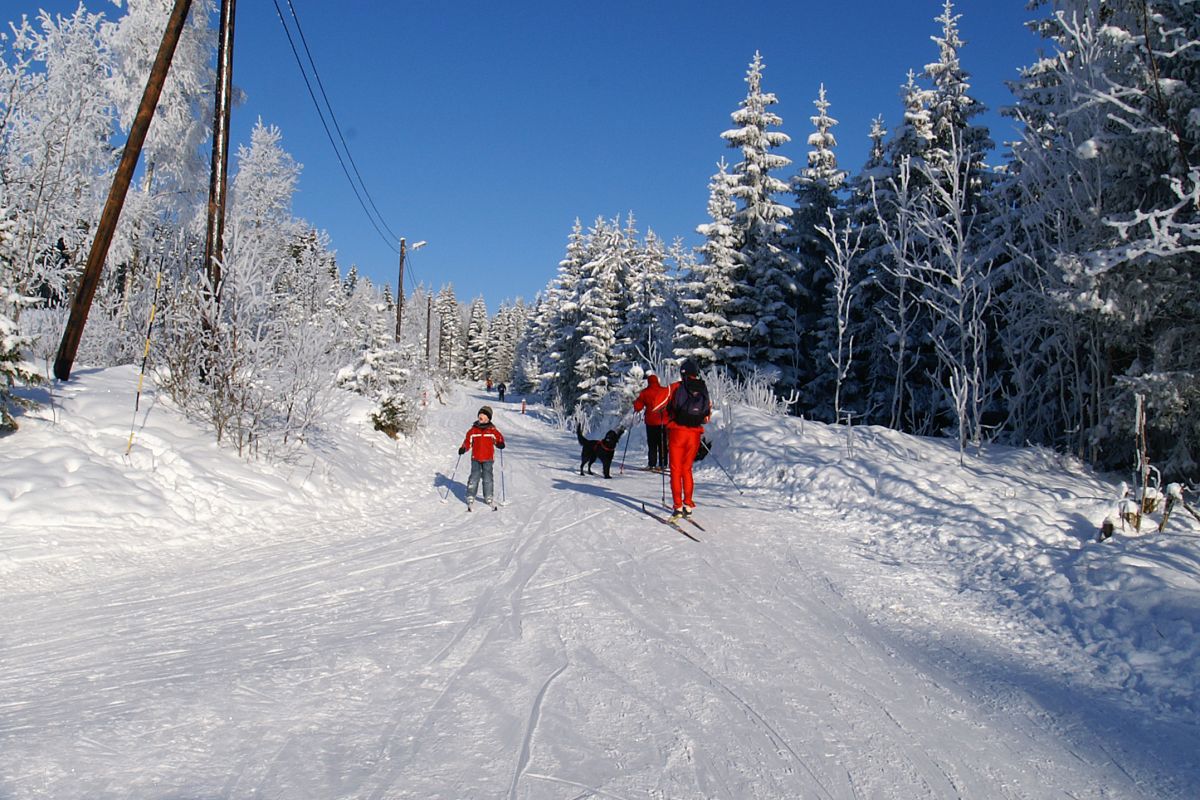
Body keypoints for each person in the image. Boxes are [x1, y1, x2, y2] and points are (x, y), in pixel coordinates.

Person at [666, 359, 711, 520]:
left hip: (677, 433)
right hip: (694, 435)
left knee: (675, 470)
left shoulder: (676, 387)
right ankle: (688, 505)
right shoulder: (703, 388)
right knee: (687, 469)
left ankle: (677, 507)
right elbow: (706, 416)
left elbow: (659, 405)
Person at [458, 405, 505, 510]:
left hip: (488, 458)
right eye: (480, 414)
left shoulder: (492, 430)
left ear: (488, 418)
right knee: (474, 478)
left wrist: (500, 443)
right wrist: (463, 448)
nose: (481, 416)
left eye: (483, 415)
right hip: (476, 458)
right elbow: (467, 442)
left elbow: (499, 438)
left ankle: (488, 496)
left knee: (487, 478)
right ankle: (470, 495)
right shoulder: (473, 430)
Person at [631, 371, 671, 471]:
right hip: (663, 422)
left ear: (649, 382)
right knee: (662, 444)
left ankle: (652, 464)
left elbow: (638, 407)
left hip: (651, 422)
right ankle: (663, 464)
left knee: (652, 444)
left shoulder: (645, 392)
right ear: (657, 381)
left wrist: (635, 404)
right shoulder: (664, 390)